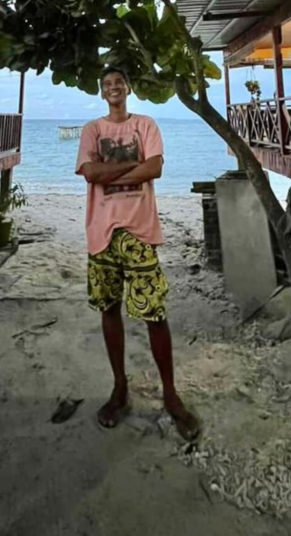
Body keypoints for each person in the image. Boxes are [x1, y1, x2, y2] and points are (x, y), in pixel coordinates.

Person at [75, 66, 200, 441]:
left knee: (154, 313)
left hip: (140, 232)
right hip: (102, 232)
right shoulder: (92, 130)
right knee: (109, 309)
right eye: (107, 84)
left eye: (119, 82)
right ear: (102, 92)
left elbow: (156, 168)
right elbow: (91, 174)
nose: (114, 87)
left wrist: (113, 169)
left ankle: (171, 394)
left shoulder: (146, 124)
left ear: (128, 88)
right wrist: (134, 166)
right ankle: (119, 388)